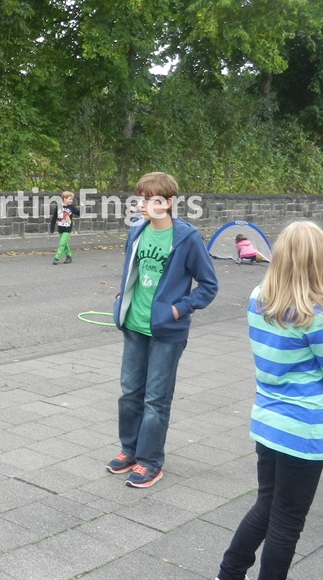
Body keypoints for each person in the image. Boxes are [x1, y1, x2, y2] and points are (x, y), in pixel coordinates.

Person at [216, 221, 323, 580]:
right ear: (319, 261)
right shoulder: (315, 316)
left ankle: (229, 573)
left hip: (266, 423)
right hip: (303, 434)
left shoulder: (257, 298)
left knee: (266, 505)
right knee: (287, 523)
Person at [108, 171, 219, 487]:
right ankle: (130, 450)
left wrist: (178, 309)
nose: (142, 205)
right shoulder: (137, 231)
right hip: (134, 326)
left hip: (167, 333)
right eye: (140, 199)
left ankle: (150, 462)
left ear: (168, 203)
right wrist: (122, 298)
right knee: (130, 393)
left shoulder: (187, 238)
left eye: (150, 199)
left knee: (156, 400)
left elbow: (208, 285)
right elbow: (132, 271)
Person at [49, 190, 80, 265]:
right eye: (70, 199)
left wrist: (82, 207)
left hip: (67, 228)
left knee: (61, 243)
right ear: (64, 199)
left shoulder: (71, 207)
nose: (71, 201)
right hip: (60, 227)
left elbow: (78, 213)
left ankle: (57, 257)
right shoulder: (59, 207)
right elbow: (54, 218)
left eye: (72, 199)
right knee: (64, 243)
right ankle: (69, 256)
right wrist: (52, 228)